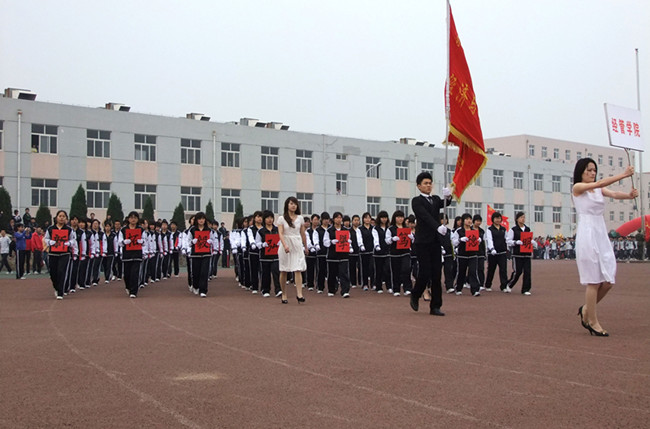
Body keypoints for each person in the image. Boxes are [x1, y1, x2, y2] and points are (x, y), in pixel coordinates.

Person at [572, 159, 637, 337]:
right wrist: (624, 174)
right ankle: (593, 321)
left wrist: (629, 196)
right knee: (593, 280)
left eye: (594, 170)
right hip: (587, 233)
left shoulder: (598, 189)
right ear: (581, 172)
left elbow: (614, 193)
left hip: (600, 232)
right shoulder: (578, 188)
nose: (592, 173)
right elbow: (600, 183)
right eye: (589, 170)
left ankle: (586, 309)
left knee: (608, 280)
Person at [409, 171, 452, 316]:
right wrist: (437, 226)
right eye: (425, 183)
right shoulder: (416, 201)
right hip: (422, 242)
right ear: (419, 186)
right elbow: (425, 216)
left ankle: (435, 306)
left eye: (430, 183)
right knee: (425, 272)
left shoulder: (435, 199)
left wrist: (448, 196)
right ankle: (416, 293)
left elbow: (445, 203)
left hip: (435, 241)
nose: (428, 185)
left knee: (436, 274)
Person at [277, 196, 308, 304]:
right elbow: (280, 233)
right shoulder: (281, 218)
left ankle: (299, 294)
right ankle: (284, 294)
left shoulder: (300, 218)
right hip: (286, 244)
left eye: (295, 204)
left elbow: (303, 234)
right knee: (284, 270)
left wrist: (306, 246)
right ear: (287, 205)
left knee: (298, 268)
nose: (293, 205)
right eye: (291, 203)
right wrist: (285, 245)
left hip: (297, 244)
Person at [44, 210, 76, 299]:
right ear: (56, 217)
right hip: (53, 253)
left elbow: (73, 240)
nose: (61, 218)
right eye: (60, 216)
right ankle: (56, 287)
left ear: (66, 218)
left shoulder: (69, 229)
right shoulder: (51, 229)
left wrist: (68, 243)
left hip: (64, 253)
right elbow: (46, 238)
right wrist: (50, 242)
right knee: (53, 272)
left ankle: (60, 292)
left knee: (62, 271)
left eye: (63, 216)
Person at [323, 211, 352, 298]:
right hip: (332, 255)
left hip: (343, 255)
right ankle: (331, 289)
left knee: (344, 273)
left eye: (340, 218)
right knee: (332, 273)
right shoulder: (329, 230)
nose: (339, 219)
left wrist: (349, 243)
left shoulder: (345, 230)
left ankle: (345, 291)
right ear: (334, 219)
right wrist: (331, 242)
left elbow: (349, 240)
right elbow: (325, 242)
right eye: (337, 218)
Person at [452, 213, 481, 297]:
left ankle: (475, 290)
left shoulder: (474, 230)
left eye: (470, 219)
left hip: (473, 254)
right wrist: (460, 239)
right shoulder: (459, 231)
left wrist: (479, 240)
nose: (469, 221)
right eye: (467, 219)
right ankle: (458, 288)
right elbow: (454, 242)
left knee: (473, 271)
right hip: (462, 254)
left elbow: (477, 241)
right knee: (461, 272)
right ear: (463, 221)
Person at [118, 211, 146, 298]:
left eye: (135, 218)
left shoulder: (141, 230)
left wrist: (142, 242)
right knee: (127, 274)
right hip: (127, 255)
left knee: (135, 273)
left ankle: (134, 291)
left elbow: (145, 242)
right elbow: (119, 242)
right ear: (128, 219)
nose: (133, 219)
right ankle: (128, 286)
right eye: (131, 217)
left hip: (137, 254)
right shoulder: (123, 230)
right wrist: (124, 242)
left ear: (137, 219)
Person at [505, 212, 533, 295]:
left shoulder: (527, 229)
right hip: (517, 254)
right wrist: (516, 242)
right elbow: (508, 241)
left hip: (527, 253)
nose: (523, 219)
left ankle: (526, 289)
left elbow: (529, 238)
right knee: (518, 271)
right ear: (517, 219)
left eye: (524, 217)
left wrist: (532, 242)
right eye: (521, 217)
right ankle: (509, 284)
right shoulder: (513, 230)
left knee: (527, 272)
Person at [186, 212, 212, 297]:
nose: (201, 220)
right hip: (195, 254)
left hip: (206, 254)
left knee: (204, 272)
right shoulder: (192, 230)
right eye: (199, 219)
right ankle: (196, 286)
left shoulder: (209, 230)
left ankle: (203, 290)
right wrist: (192, 242)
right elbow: (188, 241)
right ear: (197, 220)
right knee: (196, 272)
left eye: (203, 219)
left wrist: (211, 242)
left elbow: (213, 240)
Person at [485, 211, 509, 292]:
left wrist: (508, 248)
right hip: (493, 253)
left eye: (499, 218)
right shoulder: (489, 229)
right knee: (491, 269)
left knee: (503, 270)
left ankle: (504, 286)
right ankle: (488, 285)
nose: (498, 220)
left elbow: (506, 239)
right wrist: (492, 248)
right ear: (493, 219)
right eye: (496, 218)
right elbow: (489, 239)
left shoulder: (503, 229)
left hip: (502, 252)